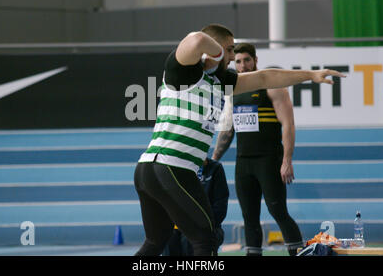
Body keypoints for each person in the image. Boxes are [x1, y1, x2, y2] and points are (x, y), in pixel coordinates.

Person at [133, 24, 345, 256]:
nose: (233, 57)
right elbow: (195, 39)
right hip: (172, 167)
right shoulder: (184, 71)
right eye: (230, 50)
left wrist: (310, 75)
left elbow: (266, 77)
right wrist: (218, 53)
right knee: (207, 238)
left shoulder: (222, 81)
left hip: (151, 170)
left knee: (156, 241)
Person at [212, 42, 303, 256]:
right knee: (249, 217)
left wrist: (287, 160)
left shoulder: (272, 85)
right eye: (238, 62)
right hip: (243, 163)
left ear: (255, 61)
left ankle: (299, 253)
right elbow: (228, 129)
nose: (242, 66)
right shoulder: (234, 89)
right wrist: (214, 158)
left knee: (278, 211)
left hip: (269, 159)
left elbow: (288, 123)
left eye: (247, 60)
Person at [162, 157, 229, 256]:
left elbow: (220, 207)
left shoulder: (215, 168)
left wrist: (204, 225)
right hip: (178, 226)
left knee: (191, 240)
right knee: (168, 238)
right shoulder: (175, 168)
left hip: (205, 226)